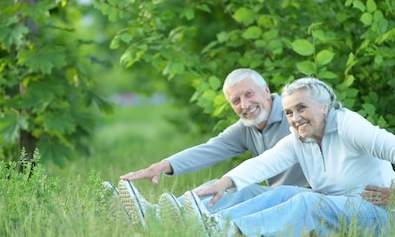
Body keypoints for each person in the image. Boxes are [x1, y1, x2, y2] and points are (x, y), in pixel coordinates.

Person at [181, 77, 395, 237]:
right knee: (279, 192)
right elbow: (263, 163)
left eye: (301, 108)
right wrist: (225, 182)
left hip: (380, 217)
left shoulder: (348, 125)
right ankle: (185, 215)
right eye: (289, 112)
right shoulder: (299, 138)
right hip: (338, 210)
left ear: (324, 107)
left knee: (307, 200)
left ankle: (224, 230)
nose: (294, 118)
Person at [111, 68, 310, 227]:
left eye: (249, 94)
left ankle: (207, 225)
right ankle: (154, 215)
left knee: (260, 193)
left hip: (311, 197)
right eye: (236, 101)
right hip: (279, 195)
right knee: (224, 186)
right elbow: (208, 150)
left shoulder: (293, 114)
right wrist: (161, 166)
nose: (245, 104)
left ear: (266, 90)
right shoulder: (246, 129)